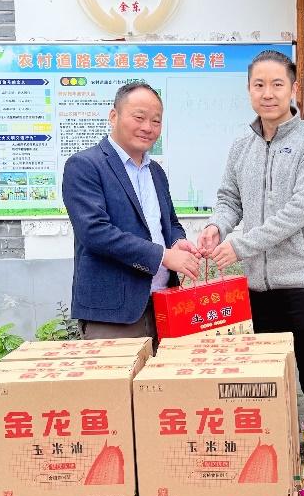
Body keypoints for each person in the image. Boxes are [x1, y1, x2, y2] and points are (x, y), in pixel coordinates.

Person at [198, 50, 304, 459]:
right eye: (259, 85)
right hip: (256, 290)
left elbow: (299, 210)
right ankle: (275, 461)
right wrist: (216, 227)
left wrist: (239, 245)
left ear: (293, 89)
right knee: (263, 384)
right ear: (248, 90)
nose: (268, 93)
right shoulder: (241, 145)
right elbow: (229, 198)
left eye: (278, 84)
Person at [62, 81, 201, 341]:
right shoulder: (85, 165)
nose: (148, 127)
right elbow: (95, 232)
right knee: (116, 370)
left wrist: (177, 242)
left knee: (166, 370)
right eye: (139, 117)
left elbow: (169, 223)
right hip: (113, 313)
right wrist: (163, 256)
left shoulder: (156, 172)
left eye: (156, 121)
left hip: (164, 305)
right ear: (113, 116)